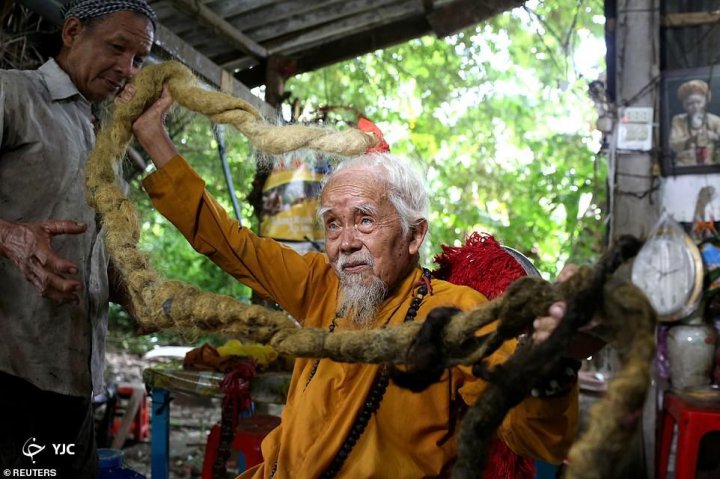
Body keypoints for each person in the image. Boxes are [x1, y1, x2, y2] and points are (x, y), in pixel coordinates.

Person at [126, 85, 597, 478]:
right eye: (333, 224)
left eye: (365, 221)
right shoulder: (319, 285)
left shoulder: (454, 314)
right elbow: (230, 244)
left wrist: (549, 366)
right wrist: (152, 137)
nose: (345, 242)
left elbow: (533, 435)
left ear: (415, 235)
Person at [0, 1, 156, 477]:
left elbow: (94, 249)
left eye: (137, 60)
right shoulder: (14, 94)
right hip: (9, 377)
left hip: (72, 384)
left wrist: (135, 293)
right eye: (117, 48)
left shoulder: (101, 138)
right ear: (72, 32)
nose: (126, 69)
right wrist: (10, 237)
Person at [669, 79, 720, 165]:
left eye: (698, 102)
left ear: (705, 102)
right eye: (690, 103)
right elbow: (673, 145)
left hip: (711, 166)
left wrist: (715, 136)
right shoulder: (678, 120)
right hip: (685, 166)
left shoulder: (715, 120)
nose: (695, 106)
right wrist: (691, 140)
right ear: (684, 105)